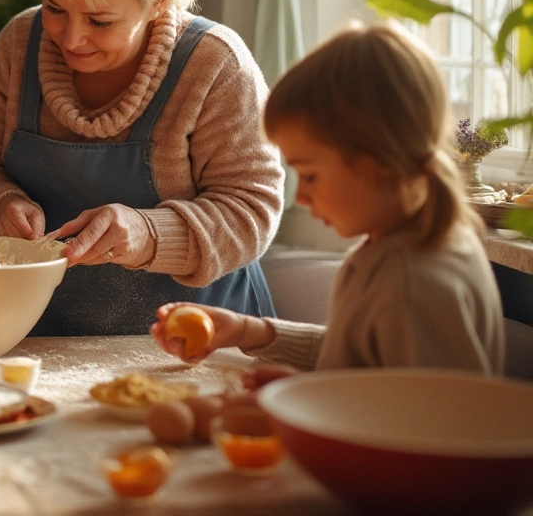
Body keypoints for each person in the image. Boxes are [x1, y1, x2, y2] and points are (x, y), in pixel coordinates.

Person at [0, 0, 283, 336]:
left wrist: (150, 234)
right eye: (55, 8)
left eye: (100, 21)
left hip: (200, 339)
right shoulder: (16, 47)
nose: (72, 37)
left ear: (159, 2)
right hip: (43, 336)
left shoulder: (215, 66)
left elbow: (253, 210)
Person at [152, 22, 506, 376]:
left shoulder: (412, 284)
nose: (302, 197)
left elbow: (417, 419)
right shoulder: (403, 247)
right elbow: (355, 358)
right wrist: (248, 331)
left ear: (382, 165)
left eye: (310, 175)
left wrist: (297, 400)